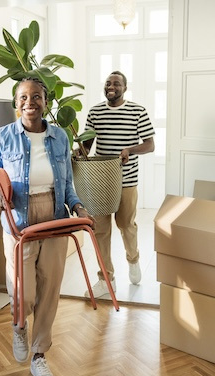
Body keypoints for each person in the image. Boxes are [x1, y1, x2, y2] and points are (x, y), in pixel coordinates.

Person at [0, 77, 94, 376]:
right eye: (23, 97)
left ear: (46, 101)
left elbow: (68, 184)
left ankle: (39, 355)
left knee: (50, 290)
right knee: (24, 293)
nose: (30, 102)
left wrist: (79, 207)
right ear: (16, 103)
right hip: (19, 222)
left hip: (56, 219)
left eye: (37, 96)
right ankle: (19, 326)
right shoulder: (2, 137)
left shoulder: (59, 138)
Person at [82, 71, 155, 298]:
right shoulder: (95, 112)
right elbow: (87, 145)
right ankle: (106, 279)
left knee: (126, 225)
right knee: (101, 230)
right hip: (100, 180)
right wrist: (77, 152)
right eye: (107, 83)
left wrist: (129, 150)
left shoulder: (137, 111)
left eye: (116, 83)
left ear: (125, 88)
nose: (111, 86)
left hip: (127, 181)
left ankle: (133, 260)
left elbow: (150, 145)